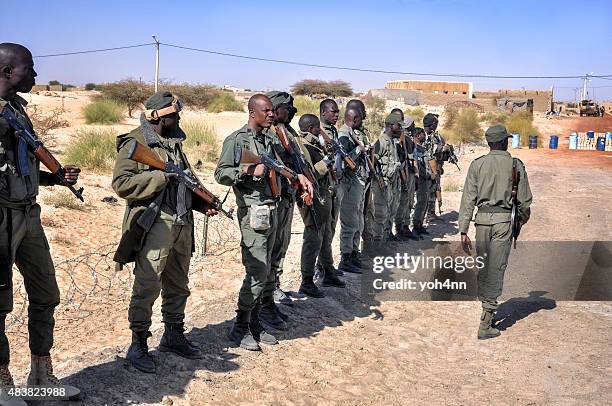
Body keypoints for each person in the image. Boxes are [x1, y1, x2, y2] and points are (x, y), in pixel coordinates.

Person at [112, 91, 218, 373]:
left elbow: (183, 182)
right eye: (175, 113)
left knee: (178, 284)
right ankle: (138, 344)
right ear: (158, 116)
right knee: (147, 284)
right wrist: (161, 176)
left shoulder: (173, 142)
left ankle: (173, 334)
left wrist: (201, 203)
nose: (179, 117)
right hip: (156, 222)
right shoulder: (135, 142)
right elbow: (121, 184)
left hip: (182, 223)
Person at [0, 43, 81, 403]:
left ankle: (41, 375)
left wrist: (56, 178)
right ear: (6, 72)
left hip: (28, 214)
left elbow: (24, 167)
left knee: (46, 294)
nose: (34, 75)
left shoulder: (18, 112)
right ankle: (2, 382)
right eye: (28, 69)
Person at [215, 94, 311, 351]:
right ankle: (240, 326)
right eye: (266, 111)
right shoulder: (237, 140)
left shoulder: (270, 139)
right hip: (254, 214)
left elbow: (279, 167)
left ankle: (255, 323)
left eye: (272, 110)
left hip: (274, 211)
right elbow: (221, 173)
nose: (271, 114)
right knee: (256, 272)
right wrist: (247, 171)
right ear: (252, 113)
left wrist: (298, 176)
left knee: (268, 270)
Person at [459, 124, 533, 340]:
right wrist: (519, 220)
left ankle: (486, 306)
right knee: (496, 267)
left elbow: (468, 199)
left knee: (484, 265)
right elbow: (524, 202)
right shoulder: (515, 164)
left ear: (489, 142)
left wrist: (463, 229)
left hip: (481, 222)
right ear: (504, 142)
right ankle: (486, 319)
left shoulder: (477, 165)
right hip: (503, 222)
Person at [295, 114, 345, 297]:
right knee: (313, 238)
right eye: (317, 128)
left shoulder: (315, 143)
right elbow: (309, 173)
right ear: (311, 128)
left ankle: (328, 270)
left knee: (325, 235)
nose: (320, 130)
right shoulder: (304, 145)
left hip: (324, 194)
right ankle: (307, 280)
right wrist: (326, 163)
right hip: (313, 197)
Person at [337, 107, 369, 273]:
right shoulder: (343, 134)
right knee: (350, 223)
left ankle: (354, 254)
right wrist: (358, 150)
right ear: (355, 118)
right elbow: (344, 160)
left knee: (358, 222)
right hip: (349, 184)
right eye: (361, 118)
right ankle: (346, 257)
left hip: (358, 183)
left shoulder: (353, 133)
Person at [315, 99, 343, 278]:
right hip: (324, 185)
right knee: (323, 229)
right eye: (333, 112)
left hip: (335, 184)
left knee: (331, 227)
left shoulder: (333, 131)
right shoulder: (317, 131)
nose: (337, 115)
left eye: (338, 111)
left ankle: (326, 264)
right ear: (323, 112)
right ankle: (322, 268)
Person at [370, 113, 402, 243]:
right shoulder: (381, 142)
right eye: (398, 126)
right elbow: (373, 162)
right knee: (380, 214)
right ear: (390, 126)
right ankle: (377, 243)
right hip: (381, 184)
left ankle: (385, 239)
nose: (400, 129)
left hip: (390, 183)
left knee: (389, 211)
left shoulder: (392, 142)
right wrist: (380, 178)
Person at [411, 128, 432, 236]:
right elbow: (417, 166)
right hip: (421, 180)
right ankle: (415, 225)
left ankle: (420, 224)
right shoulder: (415, 149)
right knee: (420, 203)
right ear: (418, 135)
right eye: (423, 134)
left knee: (424, 202)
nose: (425, 136)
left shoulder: (422, 149)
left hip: (426, 179)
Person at [423, 113, 444, 220]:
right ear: (431, 124)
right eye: (436, 123)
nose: (437, 125)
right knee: (427, 191)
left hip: (435, 167)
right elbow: (429, 153)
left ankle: (431, 213)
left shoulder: (435, 136)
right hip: (427, 169)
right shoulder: (423, 136)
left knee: (435, 189)